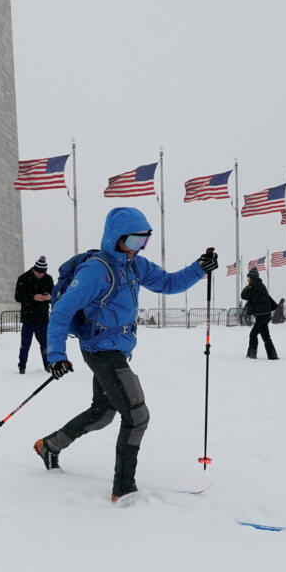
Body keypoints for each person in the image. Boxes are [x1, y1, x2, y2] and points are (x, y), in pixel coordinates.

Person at [32, 207, 218, 502]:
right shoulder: (96, 271)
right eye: (133, 242)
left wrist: (199, 268)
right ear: (116, 238)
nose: (137, 248)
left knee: (103, 413)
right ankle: (124, 489)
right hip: (101, 350)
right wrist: (55, 354)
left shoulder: (135, 266)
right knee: (137, 415)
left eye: (143, 242)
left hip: (118, 349)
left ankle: (49, 446)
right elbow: (63, 311)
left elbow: (168, 283)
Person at [14, 255, 54, 373]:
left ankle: (48, 365)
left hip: (42, 318)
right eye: (38, 273)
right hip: (28, 318)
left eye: (43, 273)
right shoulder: (23, 278)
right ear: (34, 269)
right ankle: (22, 366)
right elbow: (18, 297)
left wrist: (49, 297)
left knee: (45, 345)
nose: (40, 275)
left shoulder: (48, 279)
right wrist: (33, 297)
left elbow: (54, 296)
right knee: (25, 345)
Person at [241, 268, 278, 359]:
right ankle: (254, 354)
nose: (248, 279)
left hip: (262, 316)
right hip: (264, 315)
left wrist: (247, 286)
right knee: (256, 335)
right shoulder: (260, 285)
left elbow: (243, 295)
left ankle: (271, 356)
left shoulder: (254, 286)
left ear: (252, 278)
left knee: (264, 337)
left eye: (248, 278)